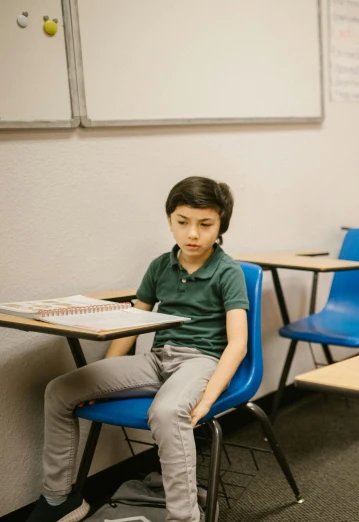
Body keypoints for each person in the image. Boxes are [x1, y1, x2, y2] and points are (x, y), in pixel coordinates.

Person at [27, 176, 249, 522]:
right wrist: (99, 380)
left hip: (200, 361)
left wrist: (207, 400)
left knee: (166, 412)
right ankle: (59, 500)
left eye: (205, 224)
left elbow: (237, 343)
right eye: (182, 222)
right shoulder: (160, 266)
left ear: (221, 226)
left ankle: (184, 517)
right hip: (157, 359)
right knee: (60, 390)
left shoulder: (228, 271)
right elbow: (132, 324)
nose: (193, 234)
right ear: (169, 221)